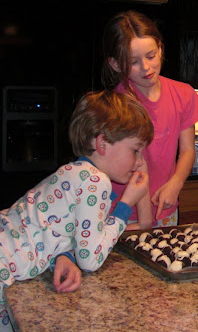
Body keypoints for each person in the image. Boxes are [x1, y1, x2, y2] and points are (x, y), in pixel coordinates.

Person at [0, 90, 152, 331]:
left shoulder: (75, 171)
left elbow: (56, 227)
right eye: (135, 150)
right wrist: (125, 206)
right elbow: (91, 259)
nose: (140, 161)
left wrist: (64, 255)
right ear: (103, 143)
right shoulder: (96, 182)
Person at [101, 11, 198, 228]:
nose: (146, 68)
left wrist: (176, 183)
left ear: (160, 48)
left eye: (151, 56)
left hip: (165, 207)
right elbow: (137, 168)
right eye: (134, 62)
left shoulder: (183, 94)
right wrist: (145, 222)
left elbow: (187, 150)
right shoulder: (118, 105)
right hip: (124, 213)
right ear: (115, 64)